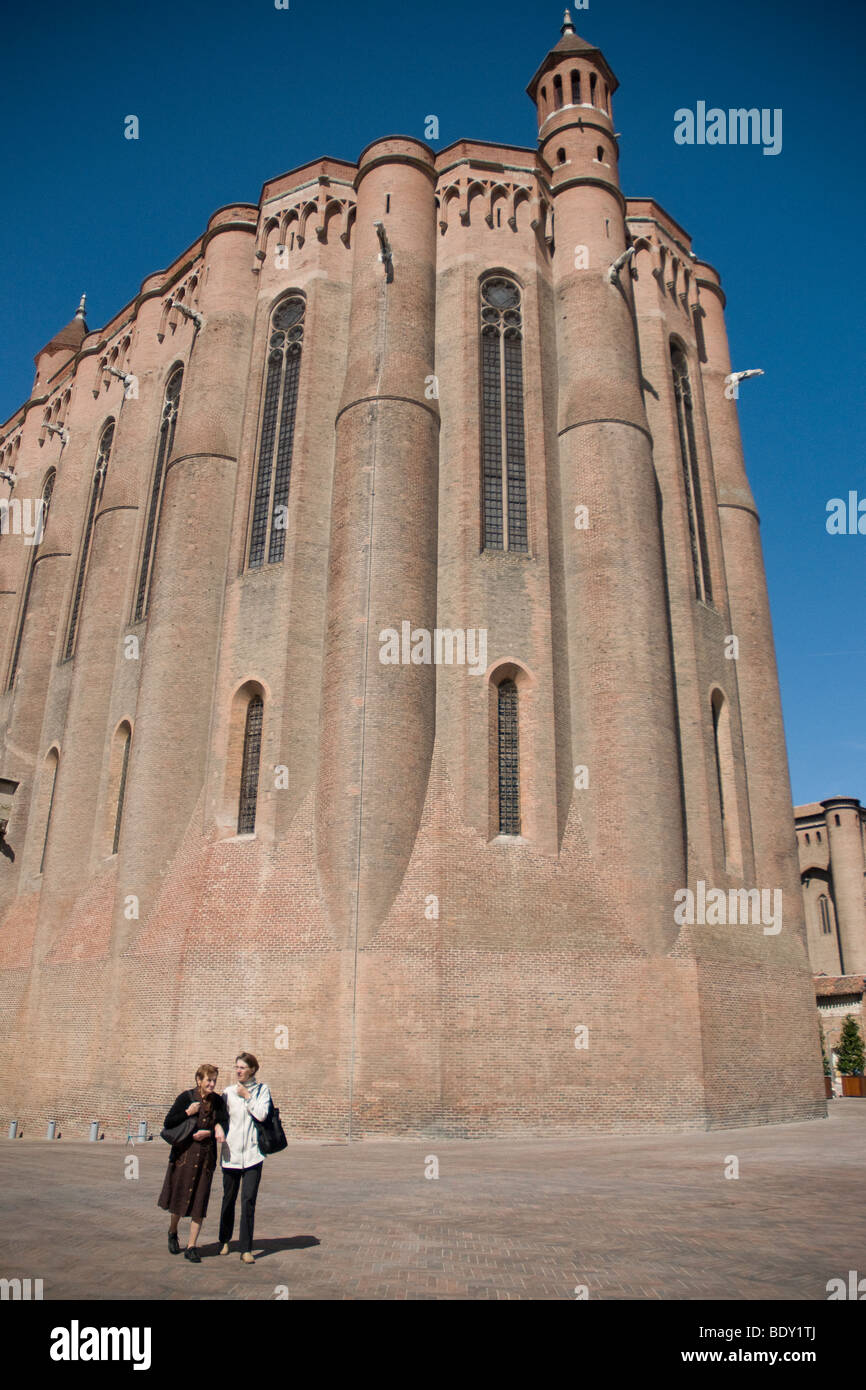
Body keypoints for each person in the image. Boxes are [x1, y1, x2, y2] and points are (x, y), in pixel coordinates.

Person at [158, 1064, 227, 1262]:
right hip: (185, 1156)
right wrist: (188, 1112)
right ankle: (173, 1231)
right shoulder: (186, 1098)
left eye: (214, 1080)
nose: (212, 1084)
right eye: (209, 1080)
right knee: (180, 1197)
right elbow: (168, 1122)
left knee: (200, 1200)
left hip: (206, 1157)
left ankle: (191, 1246)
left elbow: (224, 1122)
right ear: (199, 1080)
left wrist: (213, 1130)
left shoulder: (218, 1102)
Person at [218, 1051, 271, 1264]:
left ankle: (246, 1248)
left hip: (253, 1154)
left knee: (248, 1200)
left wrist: (247, 1097)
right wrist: (217, 1129)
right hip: (230, 1154)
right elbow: (220, 1118)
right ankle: (224, 1239)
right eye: (236, 1067)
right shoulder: (228, 1092)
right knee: (228, 1199)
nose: (238, 1071)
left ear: (252, 1070)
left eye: (242, 1067)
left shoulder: (262, 1091)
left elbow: (262, 1115)